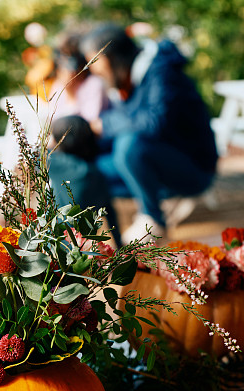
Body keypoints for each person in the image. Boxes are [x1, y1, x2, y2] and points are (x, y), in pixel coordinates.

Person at [81, 24, 218, 244]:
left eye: (95, 63)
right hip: (151, 164)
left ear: (113, 58)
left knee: (129, 146)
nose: (94, 71)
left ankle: (153, 220)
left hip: (193, 170)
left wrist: (103, 125)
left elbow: (154, 122)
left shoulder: (162, 72)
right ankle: (91, 235)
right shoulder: (126, 81)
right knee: (86, 170)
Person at [44, 29, 120, 245]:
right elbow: (52, 124)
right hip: (66, 147)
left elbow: (86, 125)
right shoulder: (58, 87)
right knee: (48, 159)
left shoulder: (93, 86)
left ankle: (73, 220)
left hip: (91, 145)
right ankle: (63, 223)